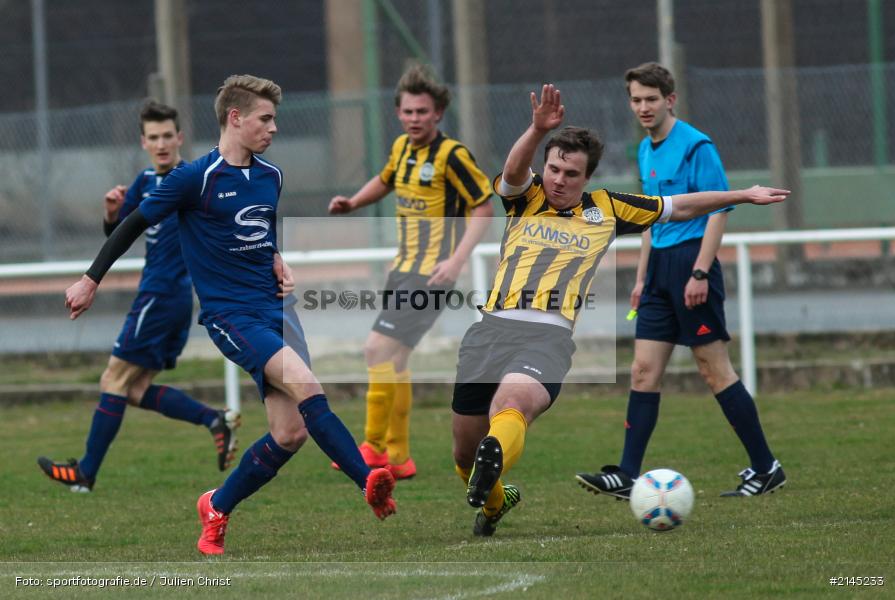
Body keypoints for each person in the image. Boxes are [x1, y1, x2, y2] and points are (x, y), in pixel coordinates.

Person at [63, 75, 397, 555]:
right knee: (306, 383)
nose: (274, 128)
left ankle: (216, 507)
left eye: (274, 119)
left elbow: (258, 232)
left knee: (289, 432)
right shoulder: (193, 178)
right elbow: (133, 223)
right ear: (235, 119)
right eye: (265, 118)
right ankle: (368, 481)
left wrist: (277, 258)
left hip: (276, 308)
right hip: (231, 315)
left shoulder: (271, 176)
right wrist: (90, 279)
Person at [453, 84, 789, 536]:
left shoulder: (608, 209)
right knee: (463, 453)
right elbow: (514, 169)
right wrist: (536, 130)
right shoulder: (525, 197)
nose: (558, 180)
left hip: (547, 337)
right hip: (491, 331)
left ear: (586, 177)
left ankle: (496, 453)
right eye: (553, 169)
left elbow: (680, 205)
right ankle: (495, 502)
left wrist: (741, 195)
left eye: (570, 174)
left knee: (512, 407)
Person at [576, 63, 787, 499]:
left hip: (693, 263)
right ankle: (628, 474)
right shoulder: (645, 150)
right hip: (657, 274)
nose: (643, 107)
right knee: (642, 371)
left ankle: (766, 467)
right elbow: (652, 215)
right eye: (636, 100)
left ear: (669, 100)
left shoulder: (696, 146)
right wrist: (640, 276)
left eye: (651, 99)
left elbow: (717, 211)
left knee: (714, 371)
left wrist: (700, 272)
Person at [38, 101, 239, 493]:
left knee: (112, 378)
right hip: (164, 298)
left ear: (179, 138)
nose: (162, 144)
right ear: (143, 142)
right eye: (154, 138)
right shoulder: (146, 179)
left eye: (168, 136)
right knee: (132, 388)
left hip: (162, 296)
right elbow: (119, 233)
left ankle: (86, 473)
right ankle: (215, 419)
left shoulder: (189, 180)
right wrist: (111, 213)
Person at [328, 64, 493, 480]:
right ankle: (399, 458)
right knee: (395, 360)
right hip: (403, 270)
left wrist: (456, 259)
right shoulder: (402, 147)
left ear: (438, 113)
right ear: (399, 113)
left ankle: (372, 446)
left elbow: (484, 206)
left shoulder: (452, 155)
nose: (415, 119)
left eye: (422, 111)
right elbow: (385, 181)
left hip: (432, 275)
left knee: (374, 350)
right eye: (408, 111)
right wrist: (353, 203)